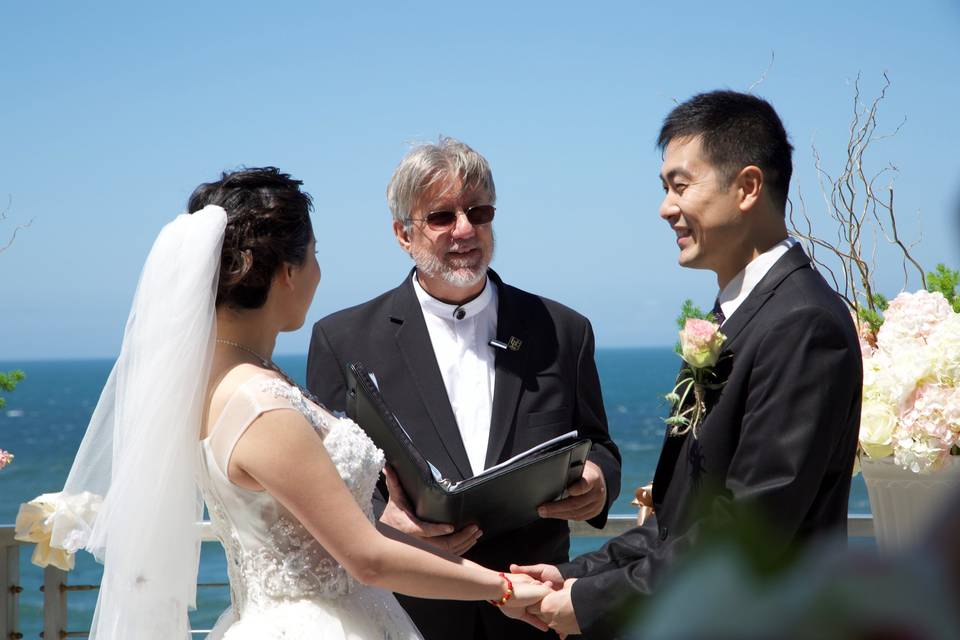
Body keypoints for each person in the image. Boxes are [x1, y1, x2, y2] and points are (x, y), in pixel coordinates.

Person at [32, 167, 553, 639]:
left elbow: (347, 534)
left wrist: (494, 578)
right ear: (285, 272)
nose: (318, 273)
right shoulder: (262, 406)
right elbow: (366, 557)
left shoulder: (229, 381)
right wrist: (503, 590)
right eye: (315, 254)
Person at [512, 91, 864, 638]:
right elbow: (679, 523)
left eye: (681, 185)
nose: (665, 208)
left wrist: (591, 603)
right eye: (664, 189)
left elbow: (751, 528)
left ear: (747, 187)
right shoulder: (736, 314)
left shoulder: (803, 324)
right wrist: (571, 576)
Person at [307, 137, 622, 639]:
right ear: (402, 233)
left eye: (478, 211)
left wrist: (600, 482)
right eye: (441, 217)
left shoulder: (563, 329)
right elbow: (322, 479)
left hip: (533, 613)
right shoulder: (343, 339)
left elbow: (598, 444)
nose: (465, 230)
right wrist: (382, 519)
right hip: (410, 614)